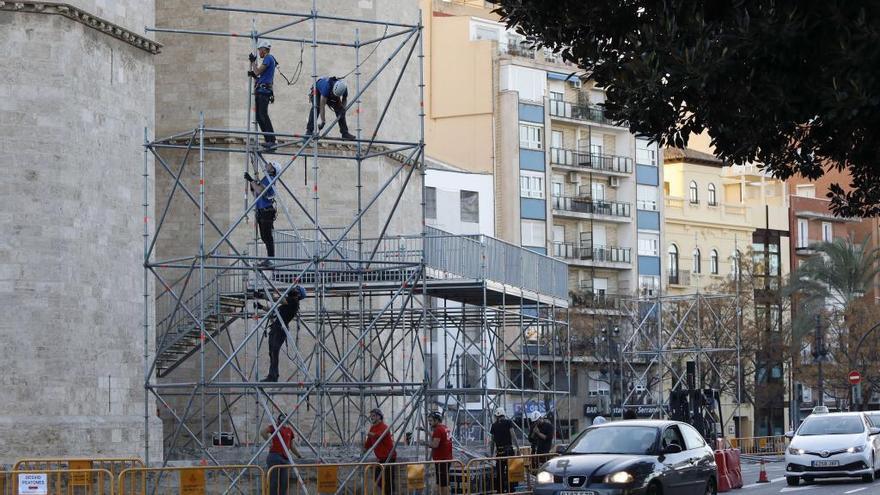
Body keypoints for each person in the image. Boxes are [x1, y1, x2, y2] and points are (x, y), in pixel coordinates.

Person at [259, 285, 306, 382]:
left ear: (298, 295)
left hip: (281, 330)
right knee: (272, 352)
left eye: (296, 290)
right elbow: (273, 313)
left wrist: (263, 295)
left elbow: (278, 299)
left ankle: (273, 376)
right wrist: (261, 307)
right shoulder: (286, 303)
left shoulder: (293, 302)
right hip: (275, 329)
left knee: (274, 351)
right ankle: (272, 375)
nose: (293, 290)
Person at [244, 162, 278, 268]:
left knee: (267, 236)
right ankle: (270, 259)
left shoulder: (270, 178)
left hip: (266, 211)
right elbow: (256, 193)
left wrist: (251, 180)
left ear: (273, 169)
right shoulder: (265, 178)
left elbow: (260, 190)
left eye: (270, 164)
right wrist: (252, 184)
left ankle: (271, 259)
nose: (267, 164)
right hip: (261, 211)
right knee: (264, 236)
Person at [263, 412, 302, 495]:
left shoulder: (289, 430)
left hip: (285, 458)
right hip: (274, 456)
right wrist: (270, 442)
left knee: (284, 483)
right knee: (274, 482)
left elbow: (292, 446)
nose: (283, 420)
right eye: (281, 418)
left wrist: (299, 455)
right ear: (278, 419)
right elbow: (263, 432)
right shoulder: (275, 427)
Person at [305, 76, 356, 140]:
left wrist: (343, 109)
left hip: (331, 94)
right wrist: (323, 121)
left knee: (340, 110)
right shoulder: (326, 87)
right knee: (316, 107)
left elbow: (344, 99)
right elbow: (322, 106)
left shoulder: (344, 88)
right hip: (318, 91)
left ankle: (345, 133)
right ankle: (309, 131)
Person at [249, 40, 278, 149]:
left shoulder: (268, 58)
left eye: (260, 50)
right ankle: (268, 140)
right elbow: (261, 76)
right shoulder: (269, 59)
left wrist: (253, 62)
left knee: (263, 115)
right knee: (259, 116)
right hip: (262, 91)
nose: (259, 52)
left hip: (263, 92)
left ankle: (271, 140)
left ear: (264, 49)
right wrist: (255, 76)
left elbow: (257, 72)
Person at [365, 408, 397, 495]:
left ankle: (389, 493)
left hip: (389, 457)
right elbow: (368, 444)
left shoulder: (384, 427)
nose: (371, 418)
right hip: (381, 458)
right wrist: (363, 452)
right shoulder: (372, 428)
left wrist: (368, 433)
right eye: (371, 416)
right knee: (377, 477)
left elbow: (379, 436)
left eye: (374, 416)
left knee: (388, 479)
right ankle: (386, 492)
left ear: (379, 417)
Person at [489, 408, 517, 493]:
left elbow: (492, 441)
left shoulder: (494, 425)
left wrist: (491, 454)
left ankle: (500, 491)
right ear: (503, 415)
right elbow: (513, 436)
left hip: (500, 452)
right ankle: (511, 490)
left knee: (500, 473)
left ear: (496, 416)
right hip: (509, 451)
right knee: (510, 472)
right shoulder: (508, 422)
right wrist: (518, 448)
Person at [428, 411, 453, 495]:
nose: (429, 423)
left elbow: (435, 445)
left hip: (441, 460)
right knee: (443, 481)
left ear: (436, 420)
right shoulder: (445, 428)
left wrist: (425, 443)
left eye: (431, 421)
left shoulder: (438, 429)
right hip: (446, 458)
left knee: (443, 483)